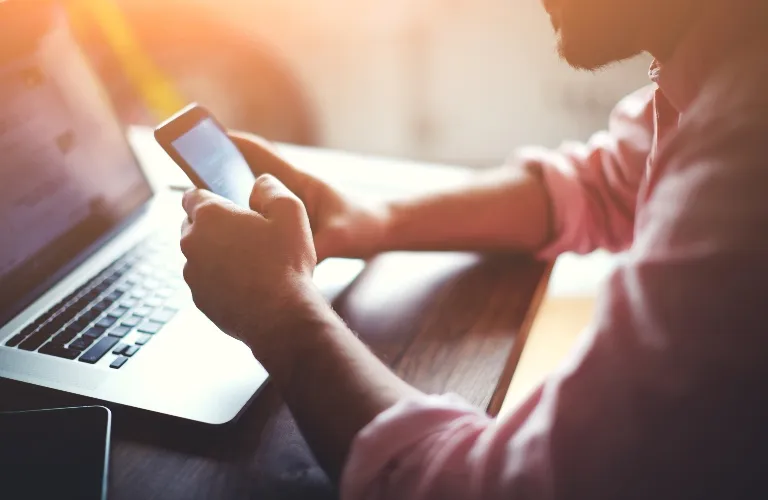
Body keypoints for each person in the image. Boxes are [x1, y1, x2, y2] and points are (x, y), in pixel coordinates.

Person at [179, 0, 768, 497]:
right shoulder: (727, 58)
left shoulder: (746, 150)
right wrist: (373, 218)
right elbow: (609, 182)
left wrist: (281, 315)